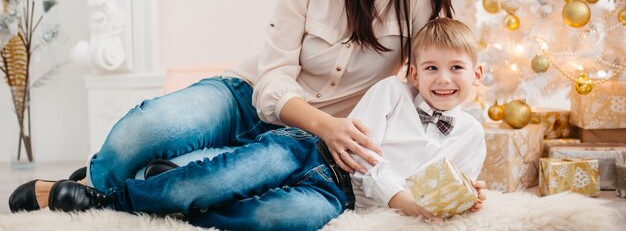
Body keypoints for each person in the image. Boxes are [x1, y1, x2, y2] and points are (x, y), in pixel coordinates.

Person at [9, 0, 465, 229]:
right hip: (245, 98)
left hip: (304, 142)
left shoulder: (424, 1)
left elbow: (431, 77)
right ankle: (91, 188)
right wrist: (325, 124)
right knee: (145, 131)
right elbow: (272, 78)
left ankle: (109, 194)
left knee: (195, 176)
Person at [34, 17, 487, 231]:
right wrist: (407, 199)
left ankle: (179, 201)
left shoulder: (471, 136)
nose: (443, 80)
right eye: (430, 69)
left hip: (336, 196)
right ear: (412, 73)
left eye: (456, 70)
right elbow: (361, 157)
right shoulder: (391, 94)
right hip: (313, 149)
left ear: (478, 75)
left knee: (281, 216)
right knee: (233, 173)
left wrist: (468, 196)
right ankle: (104, 199)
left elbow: (454, 185)